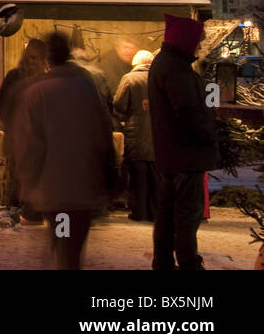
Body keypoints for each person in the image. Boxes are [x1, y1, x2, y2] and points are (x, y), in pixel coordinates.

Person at [12, 32, 114, 269]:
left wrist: (28, 182)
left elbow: (30, 145)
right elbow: (102, 132)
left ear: (48, 58)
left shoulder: (38, 92)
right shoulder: (86, 86)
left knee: (63, 246)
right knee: (71, 248)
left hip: (55, 189)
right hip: (84, 185)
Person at [149, 15, 219, 270]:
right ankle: (188, 262)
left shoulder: (167, 64)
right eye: (197, 42)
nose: (199, 47)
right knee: (186, 215)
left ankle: (164, 261)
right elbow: (189, 113)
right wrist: (209, 133)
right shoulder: (176, 69)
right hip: (186, 155)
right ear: (185, 41)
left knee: (168, 214)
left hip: (173, 154)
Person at [0, 37, 48, 223]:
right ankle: (21, 208)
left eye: (35, 58)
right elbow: (3, 102)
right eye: (30, 57)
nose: (31, 62)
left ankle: (28, 209)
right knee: (20, 171)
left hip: (36, 134)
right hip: (22, 132)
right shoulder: (17, 76)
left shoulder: (44, 78)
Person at [113, 49, 156, 222]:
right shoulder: (158, 79)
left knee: (138, 176)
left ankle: (139, 212)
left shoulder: (129, 79)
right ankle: (154, 212)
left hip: (135, 133)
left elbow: (120, 104)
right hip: (156, 134)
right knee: (155, 176)